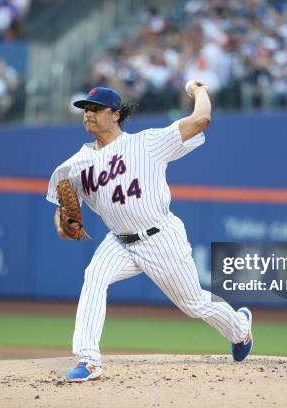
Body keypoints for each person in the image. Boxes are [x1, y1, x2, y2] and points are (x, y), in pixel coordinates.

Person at [46, 83, 253, 382]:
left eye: (95, 109)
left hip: (160, 237)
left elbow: (201, 120)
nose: (87, 115)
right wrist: (64, 223)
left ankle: (240, 328)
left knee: (194, 304)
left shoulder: (147, 143)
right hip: (118, 241)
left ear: (115, 114)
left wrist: (200, 92)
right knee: (94, 276)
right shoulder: (71, 167)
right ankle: (88, 359)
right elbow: (64, 213)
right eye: (84, 110)